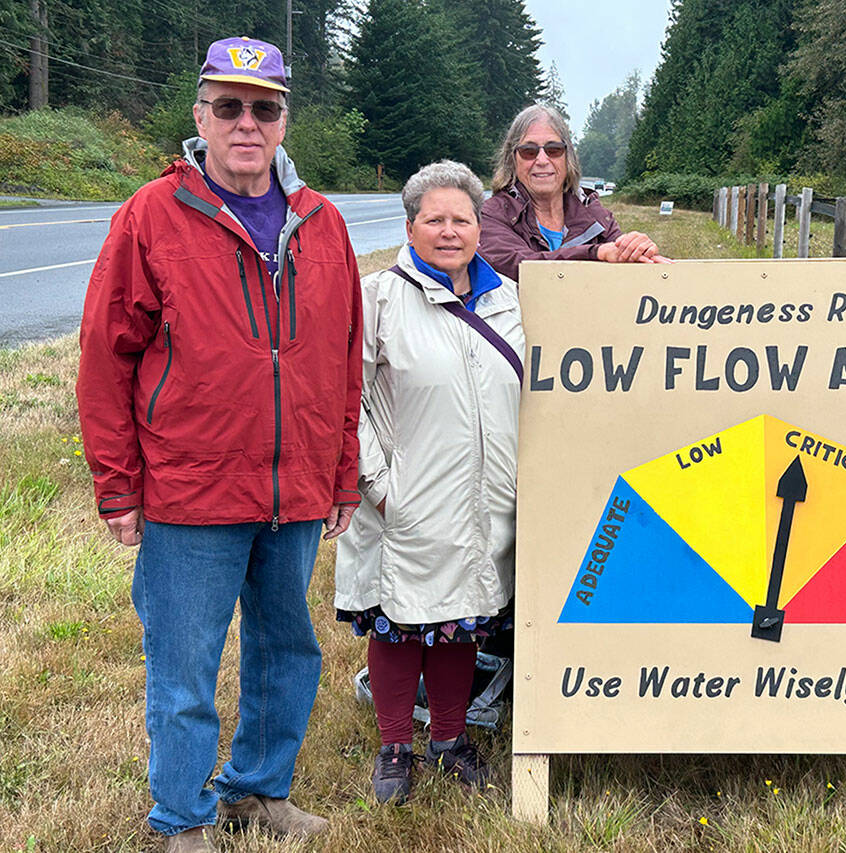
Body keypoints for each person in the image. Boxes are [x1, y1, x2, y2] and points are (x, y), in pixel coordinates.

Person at [76, 36, 362, 852]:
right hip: (190, 485)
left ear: (282, 122)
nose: (247, 122)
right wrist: (118, 484)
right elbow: (105, 355)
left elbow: (344, 354)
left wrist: (342, 470)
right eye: (229, 106)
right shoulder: (152, 214)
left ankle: (258, 789)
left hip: (297, 483)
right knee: (185, 665)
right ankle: (182, 817)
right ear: (201, 117)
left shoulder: (323, 221)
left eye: (264, 108)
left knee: (287, 649)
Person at [334, 160, 523, 803]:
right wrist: (379, 483)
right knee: (400, 624)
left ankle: (450, 740)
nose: (449, 230)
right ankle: (394, 748)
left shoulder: (509, 301)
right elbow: (344, 395)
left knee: (460, 623)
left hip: (485, 499)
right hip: (405, 498)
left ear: (479, 225)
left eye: (461, 218)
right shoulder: (378, 297)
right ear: (410, 227)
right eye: (434, 219)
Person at [479, 103, 669, 280]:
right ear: (512, 160)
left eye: (553, 150)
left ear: (567, 156)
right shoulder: (492, 214)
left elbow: (622, 265)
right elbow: (518, 266)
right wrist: (595, 253)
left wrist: (637, 250)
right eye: (529, 151)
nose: (542, 160)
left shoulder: (594, 213)